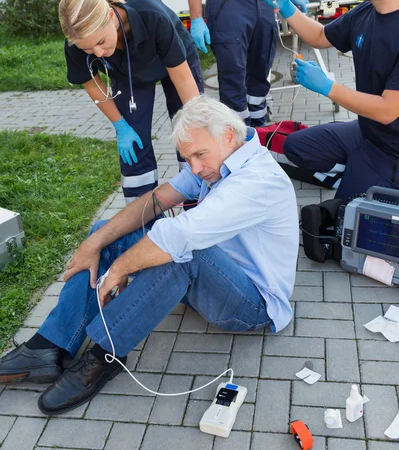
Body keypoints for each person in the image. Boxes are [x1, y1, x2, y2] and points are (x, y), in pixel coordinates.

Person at [0, 96, 299, 415]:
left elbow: (177, 236)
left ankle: (105, 354)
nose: (195, 168)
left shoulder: (257, 180)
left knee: (182, 253)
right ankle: (50, 346)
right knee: (110, 231)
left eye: (199, 155)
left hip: (253, 304)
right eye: (189, 158)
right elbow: (155, 202)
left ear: (228, 134)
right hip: (215, 275)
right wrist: (95, 241)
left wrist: (119, 269)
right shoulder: (218, 159)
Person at [261, 0, 399, 201]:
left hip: (392, 150)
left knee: (343, 224)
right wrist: (287, 8)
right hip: (365, 131)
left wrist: (328, 87)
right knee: (295, 147)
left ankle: (370, 183)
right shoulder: (365, 12)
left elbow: (387, 111)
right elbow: (321, 36)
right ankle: (354, 173)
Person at [59, 0, 204, 203]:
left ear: (109, 14)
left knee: (191, 130)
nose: (98, 53)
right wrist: (120, 125)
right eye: (88, 50)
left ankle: (198, 202)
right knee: (134, 145)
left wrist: (197, 121)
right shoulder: (77, 39)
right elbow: (91, 84)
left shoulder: (149, 13)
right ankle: (142, 219)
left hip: (173, 63)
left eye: (100, 42)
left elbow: (182, 77)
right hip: (128, 73)